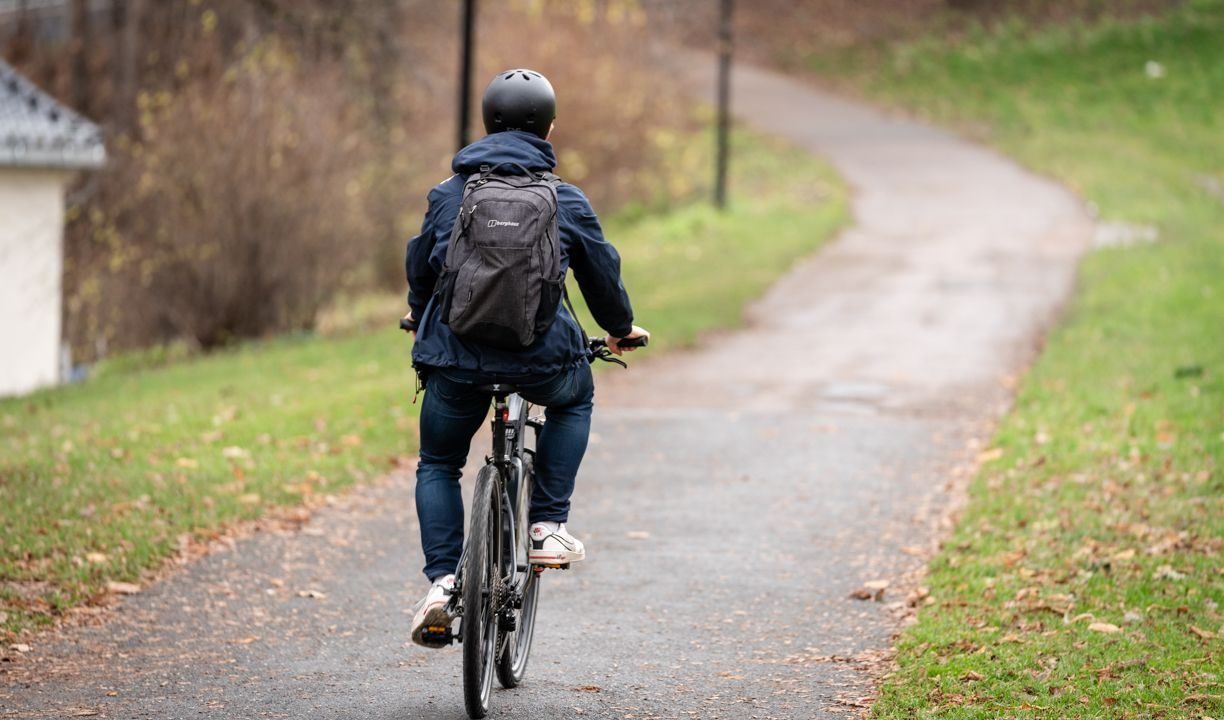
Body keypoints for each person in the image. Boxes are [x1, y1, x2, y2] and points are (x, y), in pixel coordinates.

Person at [403, 68, 649, 648]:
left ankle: (441, 586)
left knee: (438, 463)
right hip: (541, 361)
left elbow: (421, 266)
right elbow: (600, 275)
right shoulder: (565, 199)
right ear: (549, 127)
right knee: (576, 397)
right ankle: (546, 526)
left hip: (456, 361)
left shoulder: (449, 193)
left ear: (486, 123)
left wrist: (418, 313)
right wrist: (618, 330)